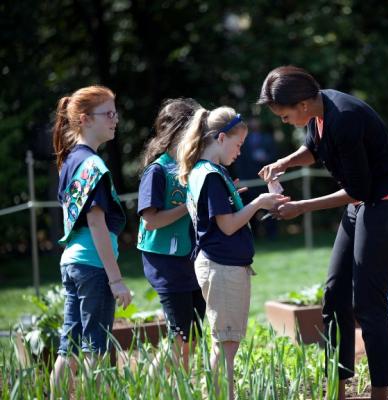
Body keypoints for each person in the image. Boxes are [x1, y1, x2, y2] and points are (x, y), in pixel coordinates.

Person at [258, 65, 388, 400]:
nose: (284, 122)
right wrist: (284, 163)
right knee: (335, 295)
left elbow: (358, 190)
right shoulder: (319, 110)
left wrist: (300, 207)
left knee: (368, 302)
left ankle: (380, 392)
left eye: (284, 116)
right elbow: (314, 149)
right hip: (364, 200)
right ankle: (338, 388)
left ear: (302, 105)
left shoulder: (343, 116)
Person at [177, 106, 288, 400]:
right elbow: (226, 227)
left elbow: (216, 216)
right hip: (222, 267)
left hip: (218, 265)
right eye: (238, 145)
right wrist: (259, 203)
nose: (240, 152)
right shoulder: (212, 175)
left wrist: (236, 202)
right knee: (226, 345)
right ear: (221, 138)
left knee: (223, 342)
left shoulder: (206, 171)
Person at [50, 86, 132, 398]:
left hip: (71, 261)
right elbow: (96, 222)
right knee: (96, 348)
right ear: (84, 119)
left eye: (115, 113)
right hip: (93, 265)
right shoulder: (93, 166)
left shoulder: (70, 160)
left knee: (67, 347)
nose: (115, 120)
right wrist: (116, 279)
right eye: (108, 114)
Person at [137, 98, 206, 372]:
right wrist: (188, 206)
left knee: (194, 335)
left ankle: (179, 386)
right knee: (180, 337)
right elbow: (151, 221)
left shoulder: (194, 167)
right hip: (166, 263)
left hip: (191, 260)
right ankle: (151, 387)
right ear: (179, 130)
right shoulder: (157, 170)